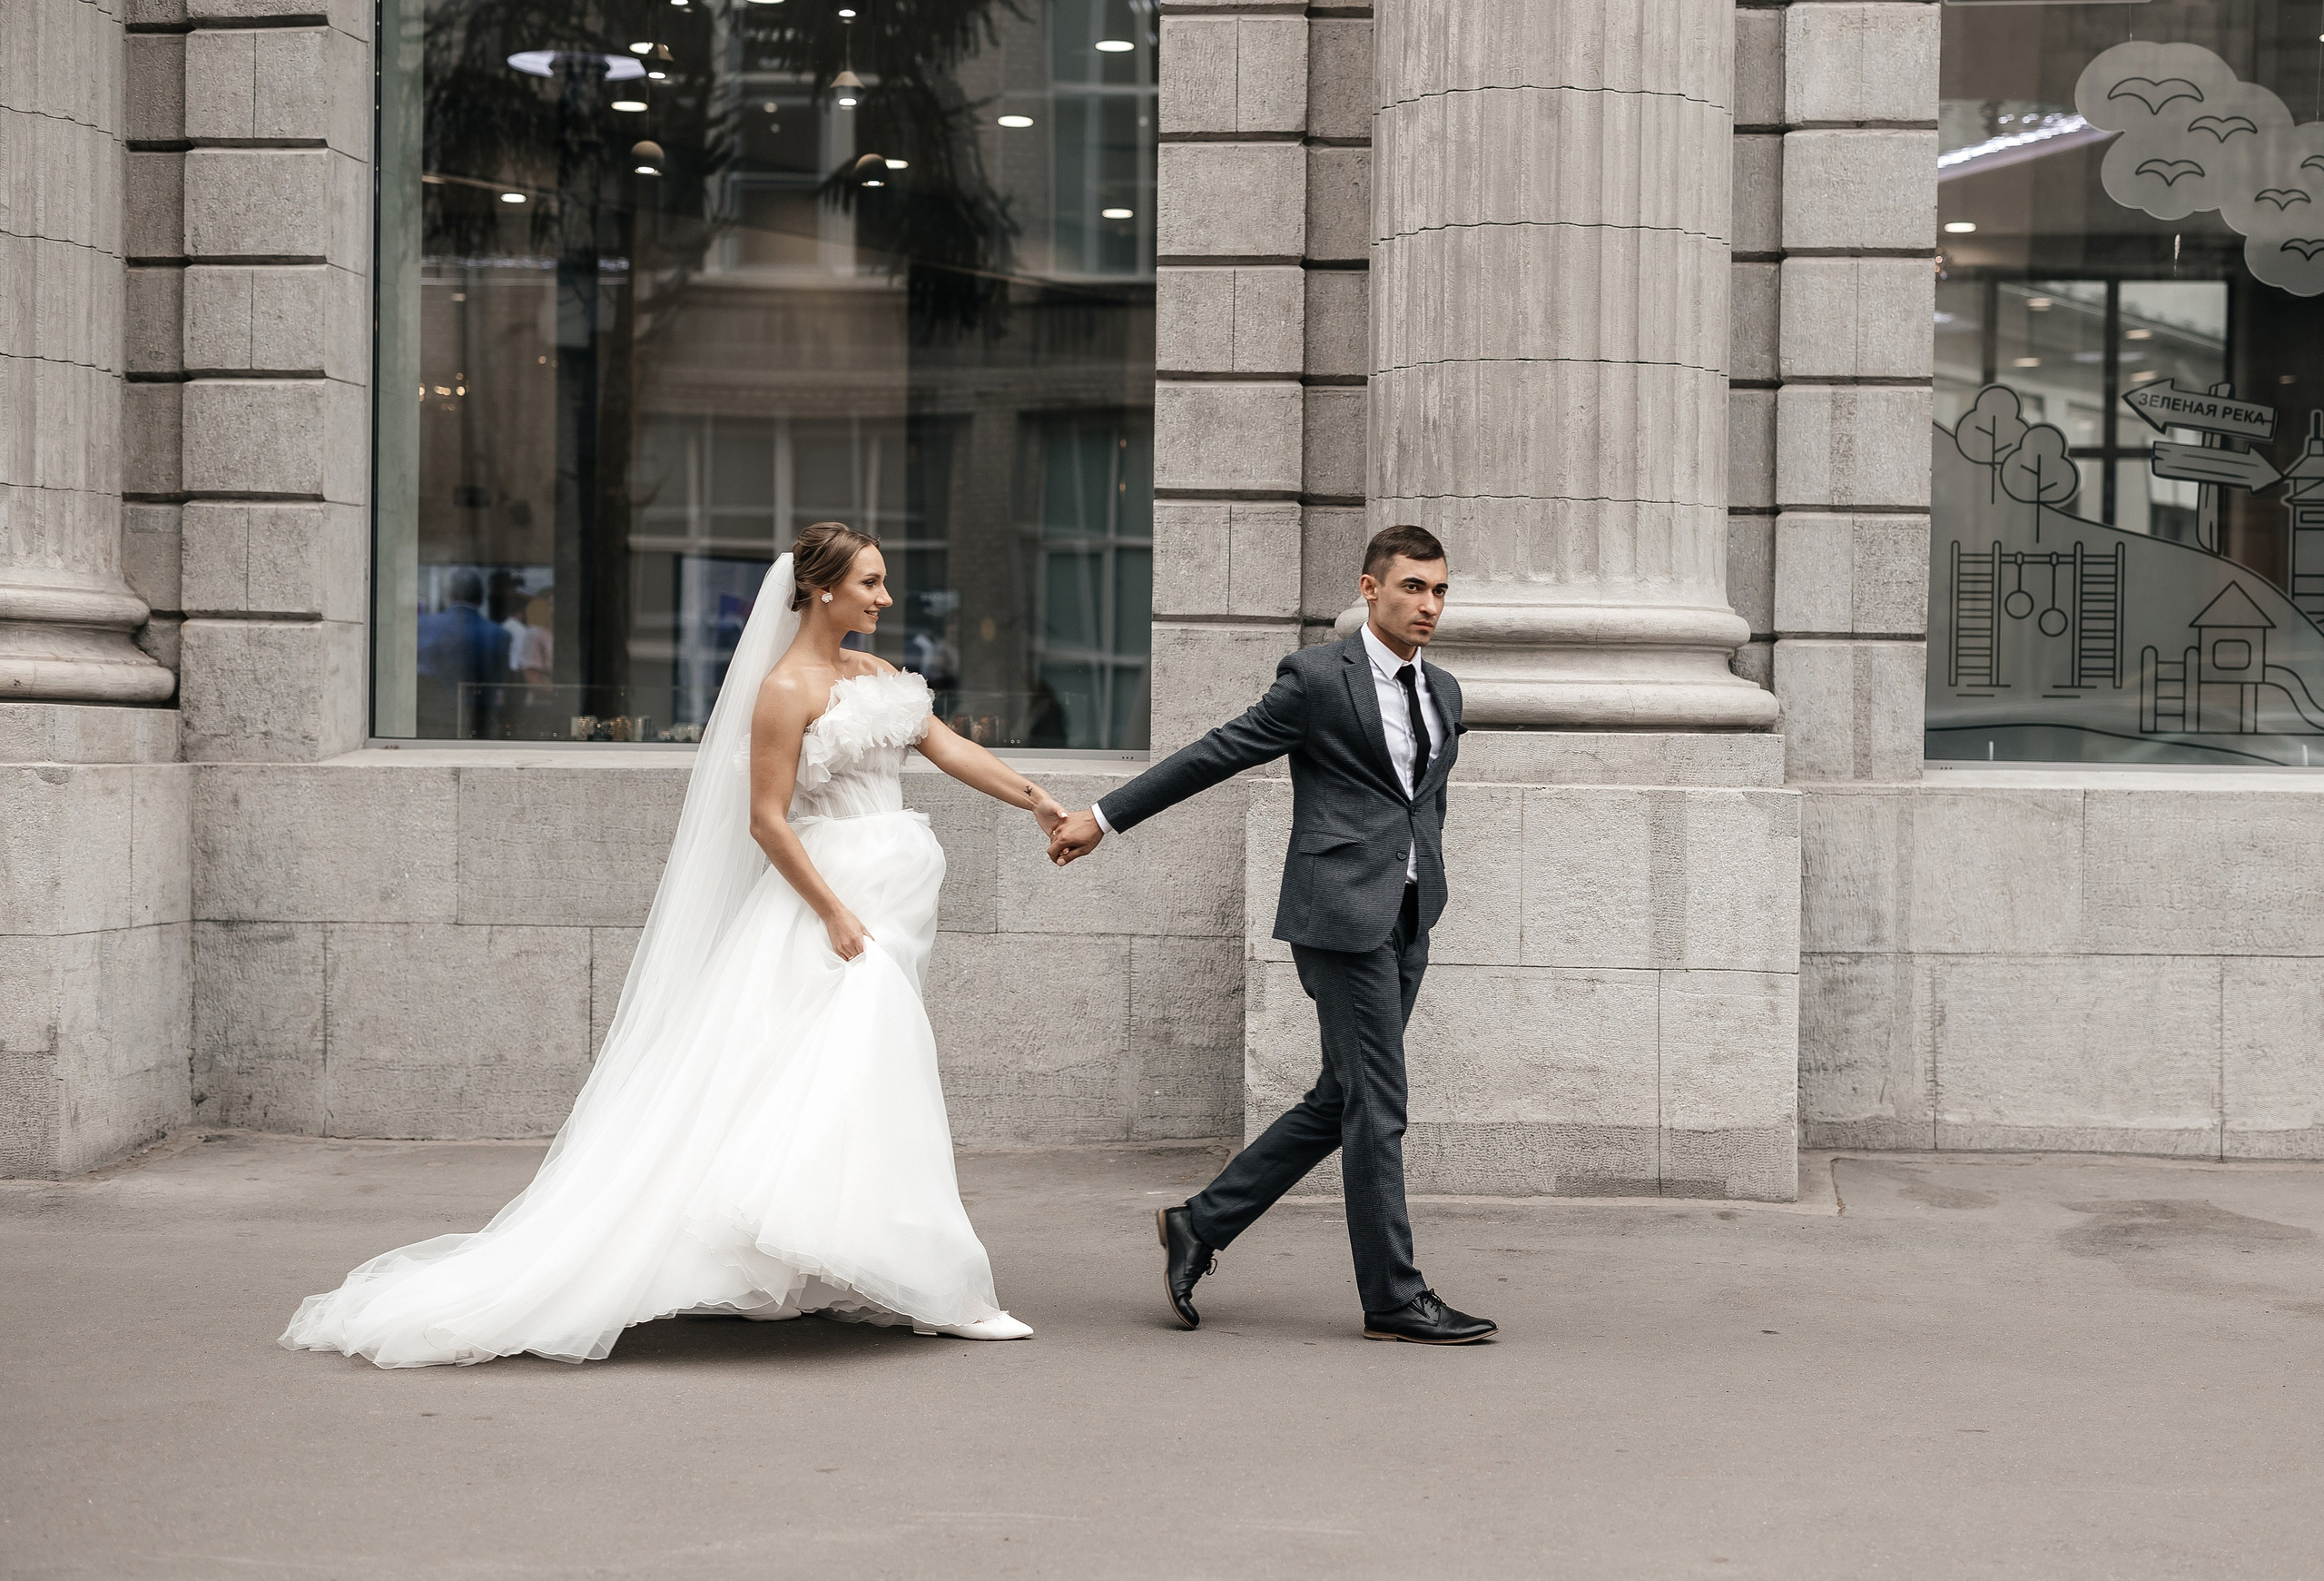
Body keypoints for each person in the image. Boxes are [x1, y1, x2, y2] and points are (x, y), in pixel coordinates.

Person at [282, 523, 1069, 1367]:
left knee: (818, 1083)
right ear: (821, 589)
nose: (884, 598)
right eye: (870, 583)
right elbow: (767, 820)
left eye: (883, 583)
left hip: (893, 903)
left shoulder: (877, 676)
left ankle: (787, 1264)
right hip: (836, 910)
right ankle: (942, 1288)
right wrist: (834, 912)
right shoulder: (784, 690)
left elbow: (949, 748)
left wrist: (1037, 801)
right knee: (873, 1072)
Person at [1047, 524, 1495, 1345]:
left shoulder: (1447, 691)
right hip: (1339, 918)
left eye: (1439, 591)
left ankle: (1201, 1222)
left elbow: (1423, 801)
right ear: (1369, 589)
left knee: (1344, 1097)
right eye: (1412, 588)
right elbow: (1217, 753)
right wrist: (1104, 818)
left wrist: (1424, 883)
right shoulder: (1320, 678)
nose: (1429, 605)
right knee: (1380, 1107)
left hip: (1406, 914)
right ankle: (1393, 1294)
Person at [415, 568, 510, 736]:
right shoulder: (498, 635)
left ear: (449, 595)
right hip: (478, 726)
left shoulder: (422, 626)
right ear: (481, 597)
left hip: (428, 724)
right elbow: (500, 682)